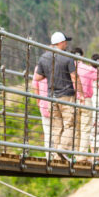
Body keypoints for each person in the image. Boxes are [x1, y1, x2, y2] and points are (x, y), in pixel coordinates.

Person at [33, 32, 79, 161]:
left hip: (51, 97)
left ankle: (55, 155)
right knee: (70, 124)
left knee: (56, 126)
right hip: (66, 96)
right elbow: (74, 77)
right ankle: (63, 149)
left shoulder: (44, 58)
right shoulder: (67, 57)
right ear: (60, 43)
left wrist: (50, 73)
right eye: (65, 42)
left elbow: (38, 77)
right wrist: (79, 94)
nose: (66, 44)